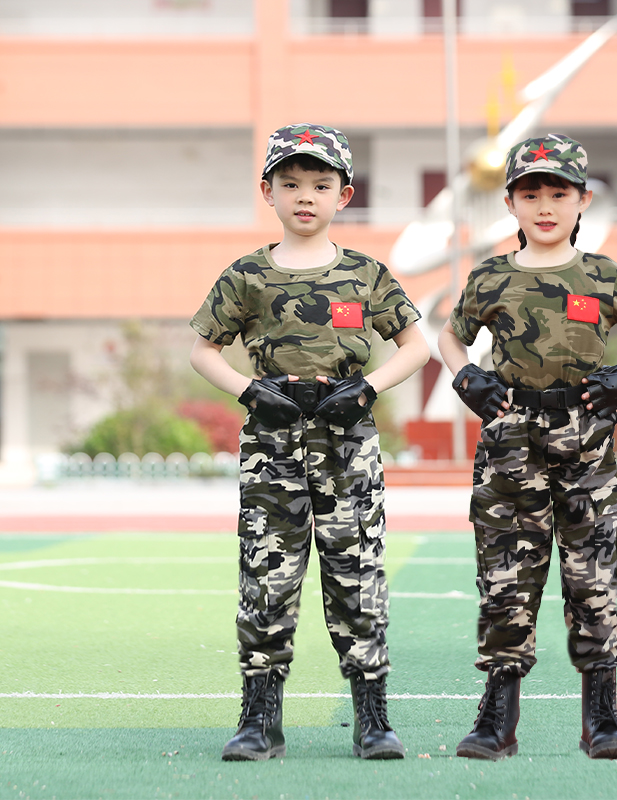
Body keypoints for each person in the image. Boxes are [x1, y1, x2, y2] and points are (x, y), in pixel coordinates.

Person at [189, 123, 429, 762]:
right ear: (267, 191)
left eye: (321, 184)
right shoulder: (248, 275)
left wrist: (367, 388)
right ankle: (259, 718)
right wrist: (248, 391)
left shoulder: (364, 275)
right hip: (273, 447)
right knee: (267, 575)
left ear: (344, 194)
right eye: (290, 183)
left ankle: (372, 717)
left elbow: (415, 347)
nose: (305, 196)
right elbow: (202, 350)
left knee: (358, 577)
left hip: (347, 447)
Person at [438, 133, 617, 761]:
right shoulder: (490, 276)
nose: (545, 206)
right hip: (511, 442)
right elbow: (449, 335)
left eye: (558, 193)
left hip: (585, 442)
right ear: (510, 204)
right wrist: (467, 375)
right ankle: (497, 720)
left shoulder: (602, 275)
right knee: (506, 579)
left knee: (590, 576)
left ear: (583, 200)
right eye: (530, 194)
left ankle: (602, 717)